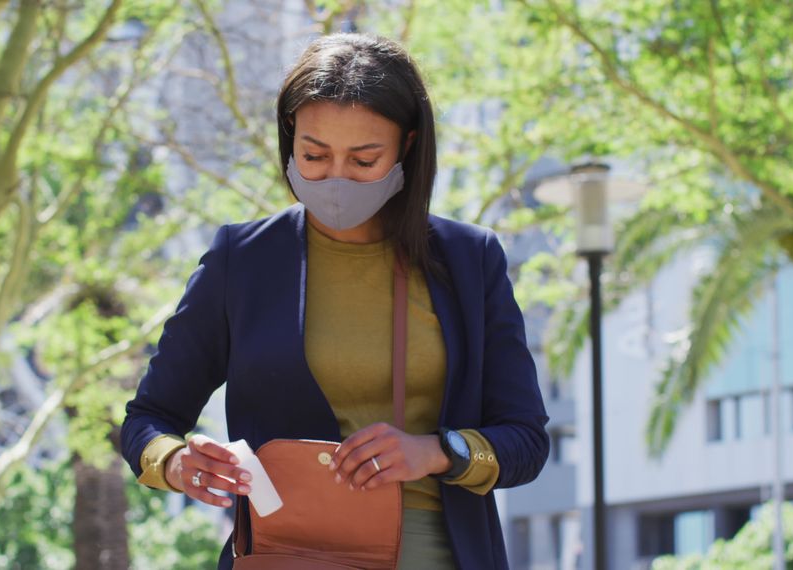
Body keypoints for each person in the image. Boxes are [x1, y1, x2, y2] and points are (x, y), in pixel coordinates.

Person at [121, 33, 550, 569]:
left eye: (364, 159)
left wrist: (436, 450)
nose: (336, 179)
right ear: (289, 140)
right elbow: (148, 418)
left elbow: (525, 441)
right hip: (287, 552)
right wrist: (177, 461)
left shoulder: (471, 259)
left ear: (408, 146)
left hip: (434, 552)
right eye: (314, 155)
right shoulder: (242, 258)